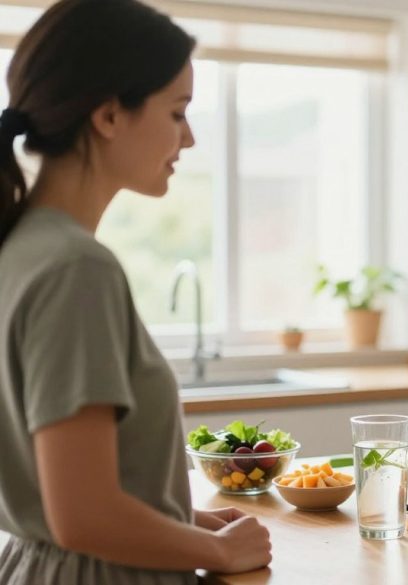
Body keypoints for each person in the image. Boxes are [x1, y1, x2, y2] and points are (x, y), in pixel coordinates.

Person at [0, 1, 272, 583]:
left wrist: (180, 520)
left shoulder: (19, 248)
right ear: (108, 115)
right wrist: (221, 553)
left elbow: (56, 493)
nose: (190, 138)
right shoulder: (75, 269)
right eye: (177, 112)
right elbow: (83, 517)